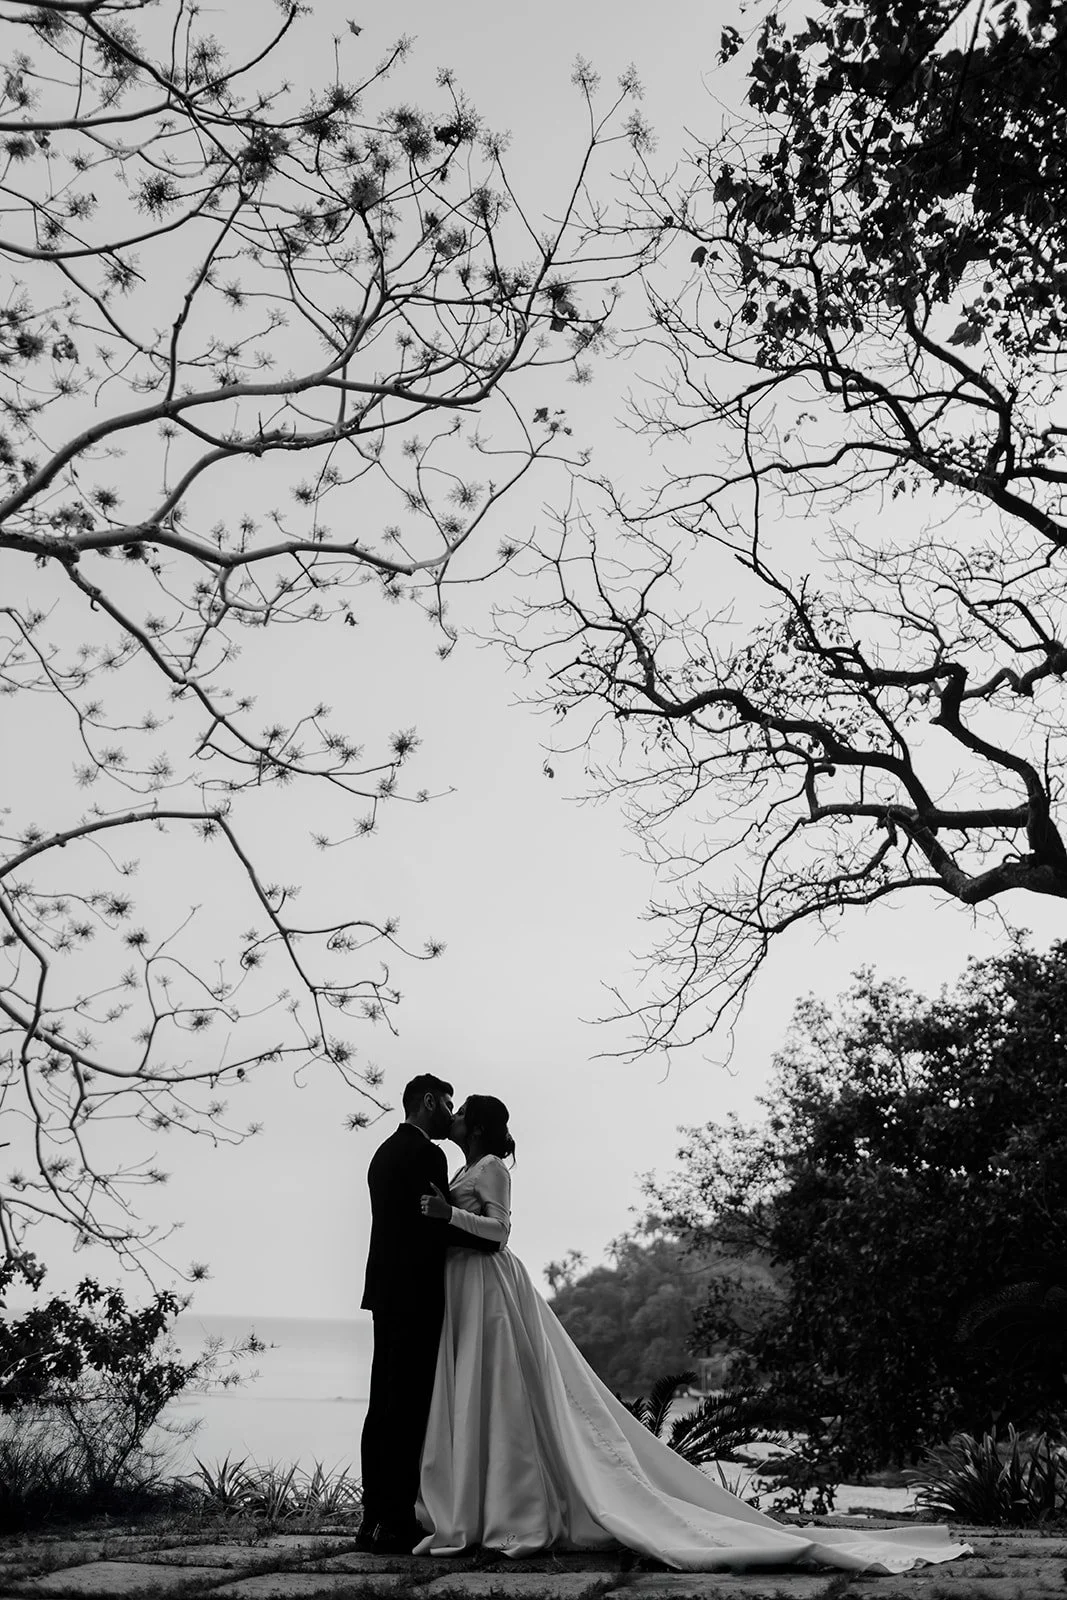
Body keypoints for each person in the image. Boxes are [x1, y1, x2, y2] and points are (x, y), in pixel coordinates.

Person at [412, 1094, 972, 1575]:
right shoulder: (464, 1170)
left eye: (462, 1111)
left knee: (504, 1394)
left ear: (479, 1124)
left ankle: (515, 1512)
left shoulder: (491, 1169)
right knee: (477, 1395)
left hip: (491, 1288)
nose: (454, 1116)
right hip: (465, 1289)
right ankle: (477, 1506)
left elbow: (500, 1232)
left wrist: (447, 1216)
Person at [358, 1074, 499, 1554]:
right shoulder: (429, 1155)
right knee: (410, 1409)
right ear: (429, 1101)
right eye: (447, 1106)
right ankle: (397, 1519)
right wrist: (481, 1243)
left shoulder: (382, 1153)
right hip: (417, 1295)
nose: (450, 1115)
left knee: (382, 1408)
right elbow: (431, 1225)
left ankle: (372, 1517)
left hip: (383, 1292)